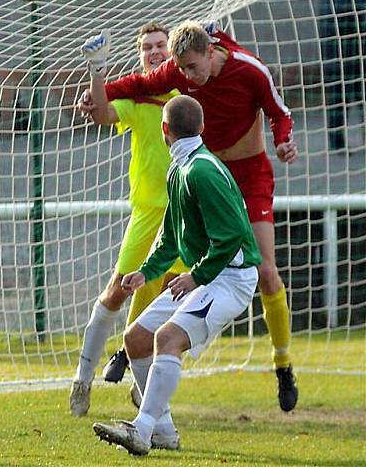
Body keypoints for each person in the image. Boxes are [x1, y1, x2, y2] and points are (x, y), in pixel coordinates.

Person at [103, 20, 300, 411]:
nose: (188, 78)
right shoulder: (180, 68)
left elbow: (280, 113)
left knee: (265, 271)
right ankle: (139, 348)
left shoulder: (250, 69)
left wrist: (282, 141)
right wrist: (97, 95)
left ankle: (282, 364)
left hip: (249, 176)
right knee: (177, 266)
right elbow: (137, 85)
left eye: (193, 69)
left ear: (211, 51)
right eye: (184, 71)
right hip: (208, 177)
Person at [93, 95, 261, 456]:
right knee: (136, 337)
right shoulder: (179, 168)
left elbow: (232, 236)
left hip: (231, 278)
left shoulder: (202, 170)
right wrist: (147, 272)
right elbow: (171, 235)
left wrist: (196, 276)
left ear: (164, 130)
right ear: (201, 127)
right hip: (206, 276)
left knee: (166, 338)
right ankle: (164, 431)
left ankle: (141, 429)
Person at [70, 23, 188, 417]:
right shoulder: (138, 98)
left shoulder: (187, 94)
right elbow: (103, 114)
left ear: (172, 53)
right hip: (147, 214)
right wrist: (98, 70)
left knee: (175, 298)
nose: (154, 52)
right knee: (118, 290)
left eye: (160, 46)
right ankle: (82, 379)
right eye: (147, 48)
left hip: (184, 215)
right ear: (140, 56)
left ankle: (140, 382)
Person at [317, 0, 366, 151]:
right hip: (339, 62)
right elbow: (332, 28)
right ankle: (337, 145)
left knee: (362, 102)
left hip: (359, 61)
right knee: (339, 105)